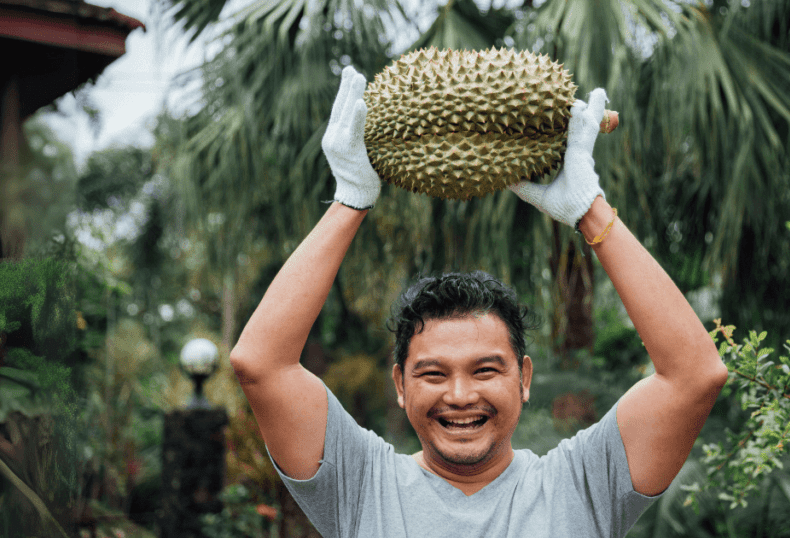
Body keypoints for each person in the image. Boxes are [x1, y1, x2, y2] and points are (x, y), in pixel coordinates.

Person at [229, 66, 729, 537]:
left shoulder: (583, 485)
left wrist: (590, 212)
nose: (461, 395)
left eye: (486, 370)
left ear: (524, 378)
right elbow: (261, 364)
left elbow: (693, 376)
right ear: (400, 384)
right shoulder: (359, 483)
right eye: (432, 373)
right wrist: (350, 200)